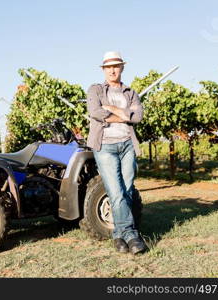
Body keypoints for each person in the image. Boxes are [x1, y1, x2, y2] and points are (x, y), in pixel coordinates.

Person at [86, 51, 147, 255]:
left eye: (116, 66)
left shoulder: (130, 92)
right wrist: (123, 114)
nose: (112, 70)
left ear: (122, 68)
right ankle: (131, 234)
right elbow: (95, 112)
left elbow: (137, 117)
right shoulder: (95, 89)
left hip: (127, 144)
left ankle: (119, 235)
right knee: (116, 192)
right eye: (108, 67)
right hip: (105, 146)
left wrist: (111, 110)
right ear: (104, 70)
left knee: (127, 191)